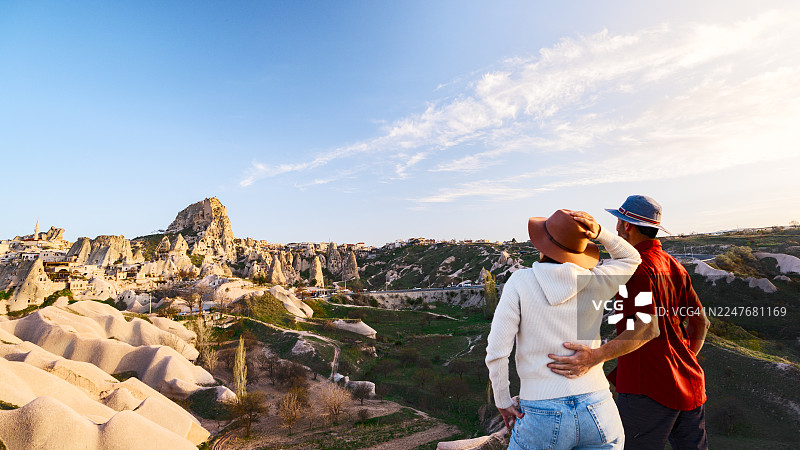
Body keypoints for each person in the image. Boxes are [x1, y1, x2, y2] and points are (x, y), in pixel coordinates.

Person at [547, 195, 710, 450]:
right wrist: (683, 360)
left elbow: (647, 328)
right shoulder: (674, 265)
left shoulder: (636, 269)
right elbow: (701, 322)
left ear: (627, 226)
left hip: (648, 390)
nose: (617, 228)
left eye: (619, 222)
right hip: (689, 383)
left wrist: (594, 357)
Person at [486, 209, 641, 450]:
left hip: (541, 411)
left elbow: (497, 350)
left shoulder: (520, 282)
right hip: (598, 406)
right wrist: (600, 232)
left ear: (542, 246)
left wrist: (503, 400)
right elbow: (631, 257)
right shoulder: (596, 280)